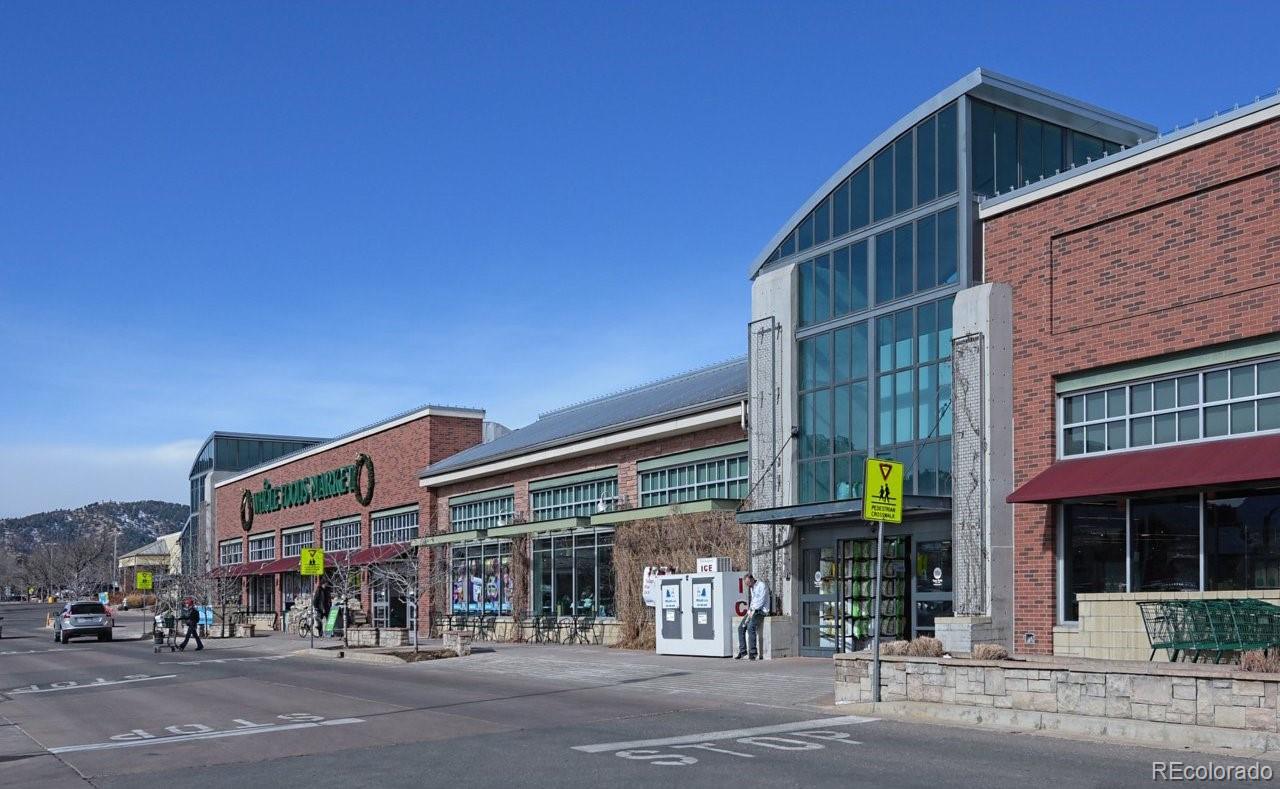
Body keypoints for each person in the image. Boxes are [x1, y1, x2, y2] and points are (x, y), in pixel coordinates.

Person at [735, 573, 770, 661]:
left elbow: (761, 602)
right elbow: (753, 601)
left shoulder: (761, 586)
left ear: (751, 580)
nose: (747, 586)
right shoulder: (752, 587)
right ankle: (743, 652)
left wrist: (752, 611)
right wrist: (749, 611)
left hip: (761, 611)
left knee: (750, 627)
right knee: (741, 628)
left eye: (747, 583)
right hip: (752, 610)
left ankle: (753, 653)